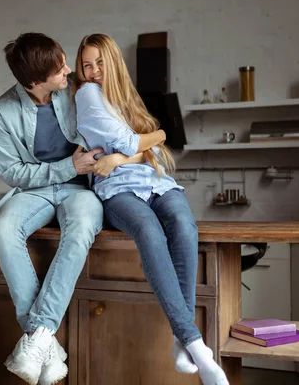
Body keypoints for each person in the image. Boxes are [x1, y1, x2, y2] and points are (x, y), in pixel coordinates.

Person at [73, 33, 229, 385]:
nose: (94, 71)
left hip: (155, 182)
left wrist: (123, 154)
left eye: (100, 63)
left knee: (185, 226)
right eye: (87, 65)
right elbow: (142, 141)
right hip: (116, 191)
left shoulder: (129, 100)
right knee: (148, 231)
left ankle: (180, 338)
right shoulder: (87, 94)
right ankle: (197, 346)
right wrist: (154, 136)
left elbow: (152, 153)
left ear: (113, 63)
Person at [0, 32, 142, 385]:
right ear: (35, 82)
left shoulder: (78, 90)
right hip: (35, 189)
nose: (70, 71)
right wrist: (67, 167)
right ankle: (45, 339)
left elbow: (110, 125)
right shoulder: (0, 112)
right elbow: (13, 172)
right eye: (60, 70)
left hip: (79, 189)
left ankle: (35, 340)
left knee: (84, 225)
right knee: (4, 229)